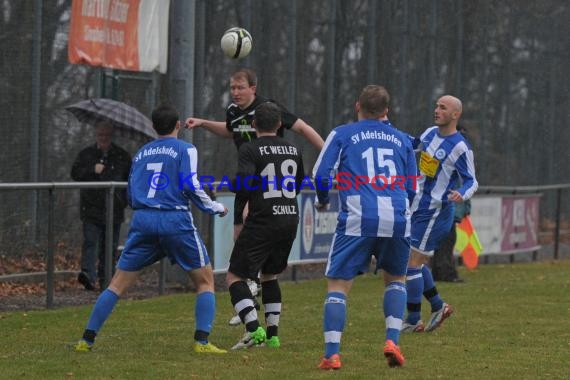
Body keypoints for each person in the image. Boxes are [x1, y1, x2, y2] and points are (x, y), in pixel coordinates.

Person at [74, 103, 229, 354]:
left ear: (154, 127)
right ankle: (202, 342)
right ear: (178, 125)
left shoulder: (141, 153)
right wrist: (215, 207)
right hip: (174, 220)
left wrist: (142, 209)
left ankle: (86, 339)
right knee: (205, 281)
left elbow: (132, 191)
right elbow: (190, 184)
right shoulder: (186, 149)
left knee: (116, 285)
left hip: (143, 219)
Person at [185, 67, 324, 324]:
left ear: (253, 88)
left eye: (240, 88)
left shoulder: (268, 110)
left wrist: (327, 154)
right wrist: (203, 123)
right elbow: (231, 131)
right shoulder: (233, 112)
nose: (235, 93)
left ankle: (248, 296)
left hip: (265, 187)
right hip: (256, 182)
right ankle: (252, 296)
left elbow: (303, 128)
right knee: (248, 244)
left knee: (247, 241)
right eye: (232, 88)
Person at [313, 85, 418, 369]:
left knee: (338, 285)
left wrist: (323, 200)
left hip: (359, 216)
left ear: (357, 105)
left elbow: (321, 174)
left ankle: (332, 354)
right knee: (396, 280)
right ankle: (393, 340)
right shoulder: (402, 139)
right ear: (386, 111)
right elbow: (411, 187)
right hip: (397, 216)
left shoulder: (343, 133)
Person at [225, 102, 305, 350]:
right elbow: (298, 182)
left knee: (234, 277)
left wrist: (238, 216)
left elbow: (245, 184)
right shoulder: (293, 149)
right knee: (270, 275)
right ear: (280, 124)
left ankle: (253, 329)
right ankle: (272, 336)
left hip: (263, 219)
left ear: (253, 124)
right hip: (290, 217)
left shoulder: (250, 148)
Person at [402, 96, 478, 333]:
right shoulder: (430, 133)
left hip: (435, 212)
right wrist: (391, 134)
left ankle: (414, 319)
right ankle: (438, 306)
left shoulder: (460, 147)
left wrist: (461, 194)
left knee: (411, 265)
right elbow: (413, 144)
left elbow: (471, 180)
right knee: (413, 262)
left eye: (442, 108)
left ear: (455, 114)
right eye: (436, 105)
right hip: (416, 205)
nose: (436, 110)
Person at [71, 121, 131, 291]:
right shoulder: (86, 155)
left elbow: (127, 178)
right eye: (100, 135)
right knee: (90, 241)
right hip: (91, 208)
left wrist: (123, 200)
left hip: (114, 208)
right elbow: (75, 173)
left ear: (111, 137)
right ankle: (88, 275)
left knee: (109, 245)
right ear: (96, 135)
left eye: (106, 135)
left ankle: (107, 279)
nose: (103, 138)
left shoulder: (122, 156)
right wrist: (92, 170)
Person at [431, 126, 472, 283]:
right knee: (446, 241)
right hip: (445, 207)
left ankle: (440, 271)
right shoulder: (444, 156)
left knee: (446, 241)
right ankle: (446, 273)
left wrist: (466, 208)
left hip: (451, 208)